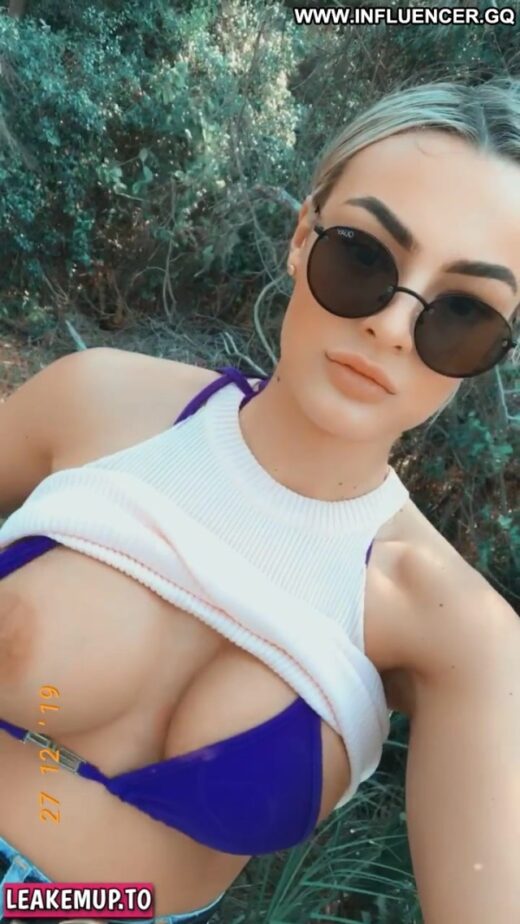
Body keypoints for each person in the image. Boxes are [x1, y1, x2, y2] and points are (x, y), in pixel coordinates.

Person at [0, 77, 519, 924]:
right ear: (300, 237)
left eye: (462, 312)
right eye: (363, 257)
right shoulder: (98, 402)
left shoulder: (455, 631)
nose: (391, 326)